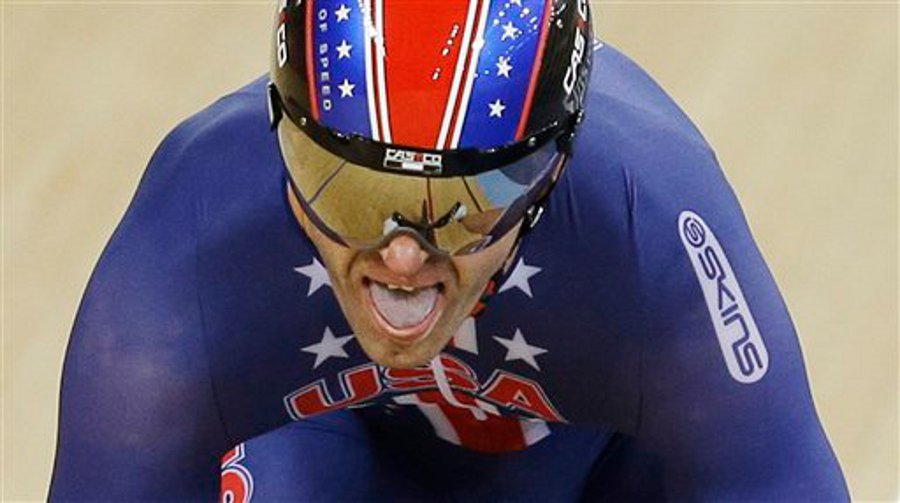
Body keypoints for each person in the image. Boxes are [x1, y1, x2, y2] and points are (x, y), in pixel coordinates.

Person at [50, 0, 850, 500]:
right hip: (320, 456)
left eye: (467, 201)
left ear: (557, 165)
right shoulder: (182, 254)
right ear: (284, 138)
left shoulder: (658, 223)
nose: (402, 259)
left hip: (599, 471)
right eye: (354, 191)